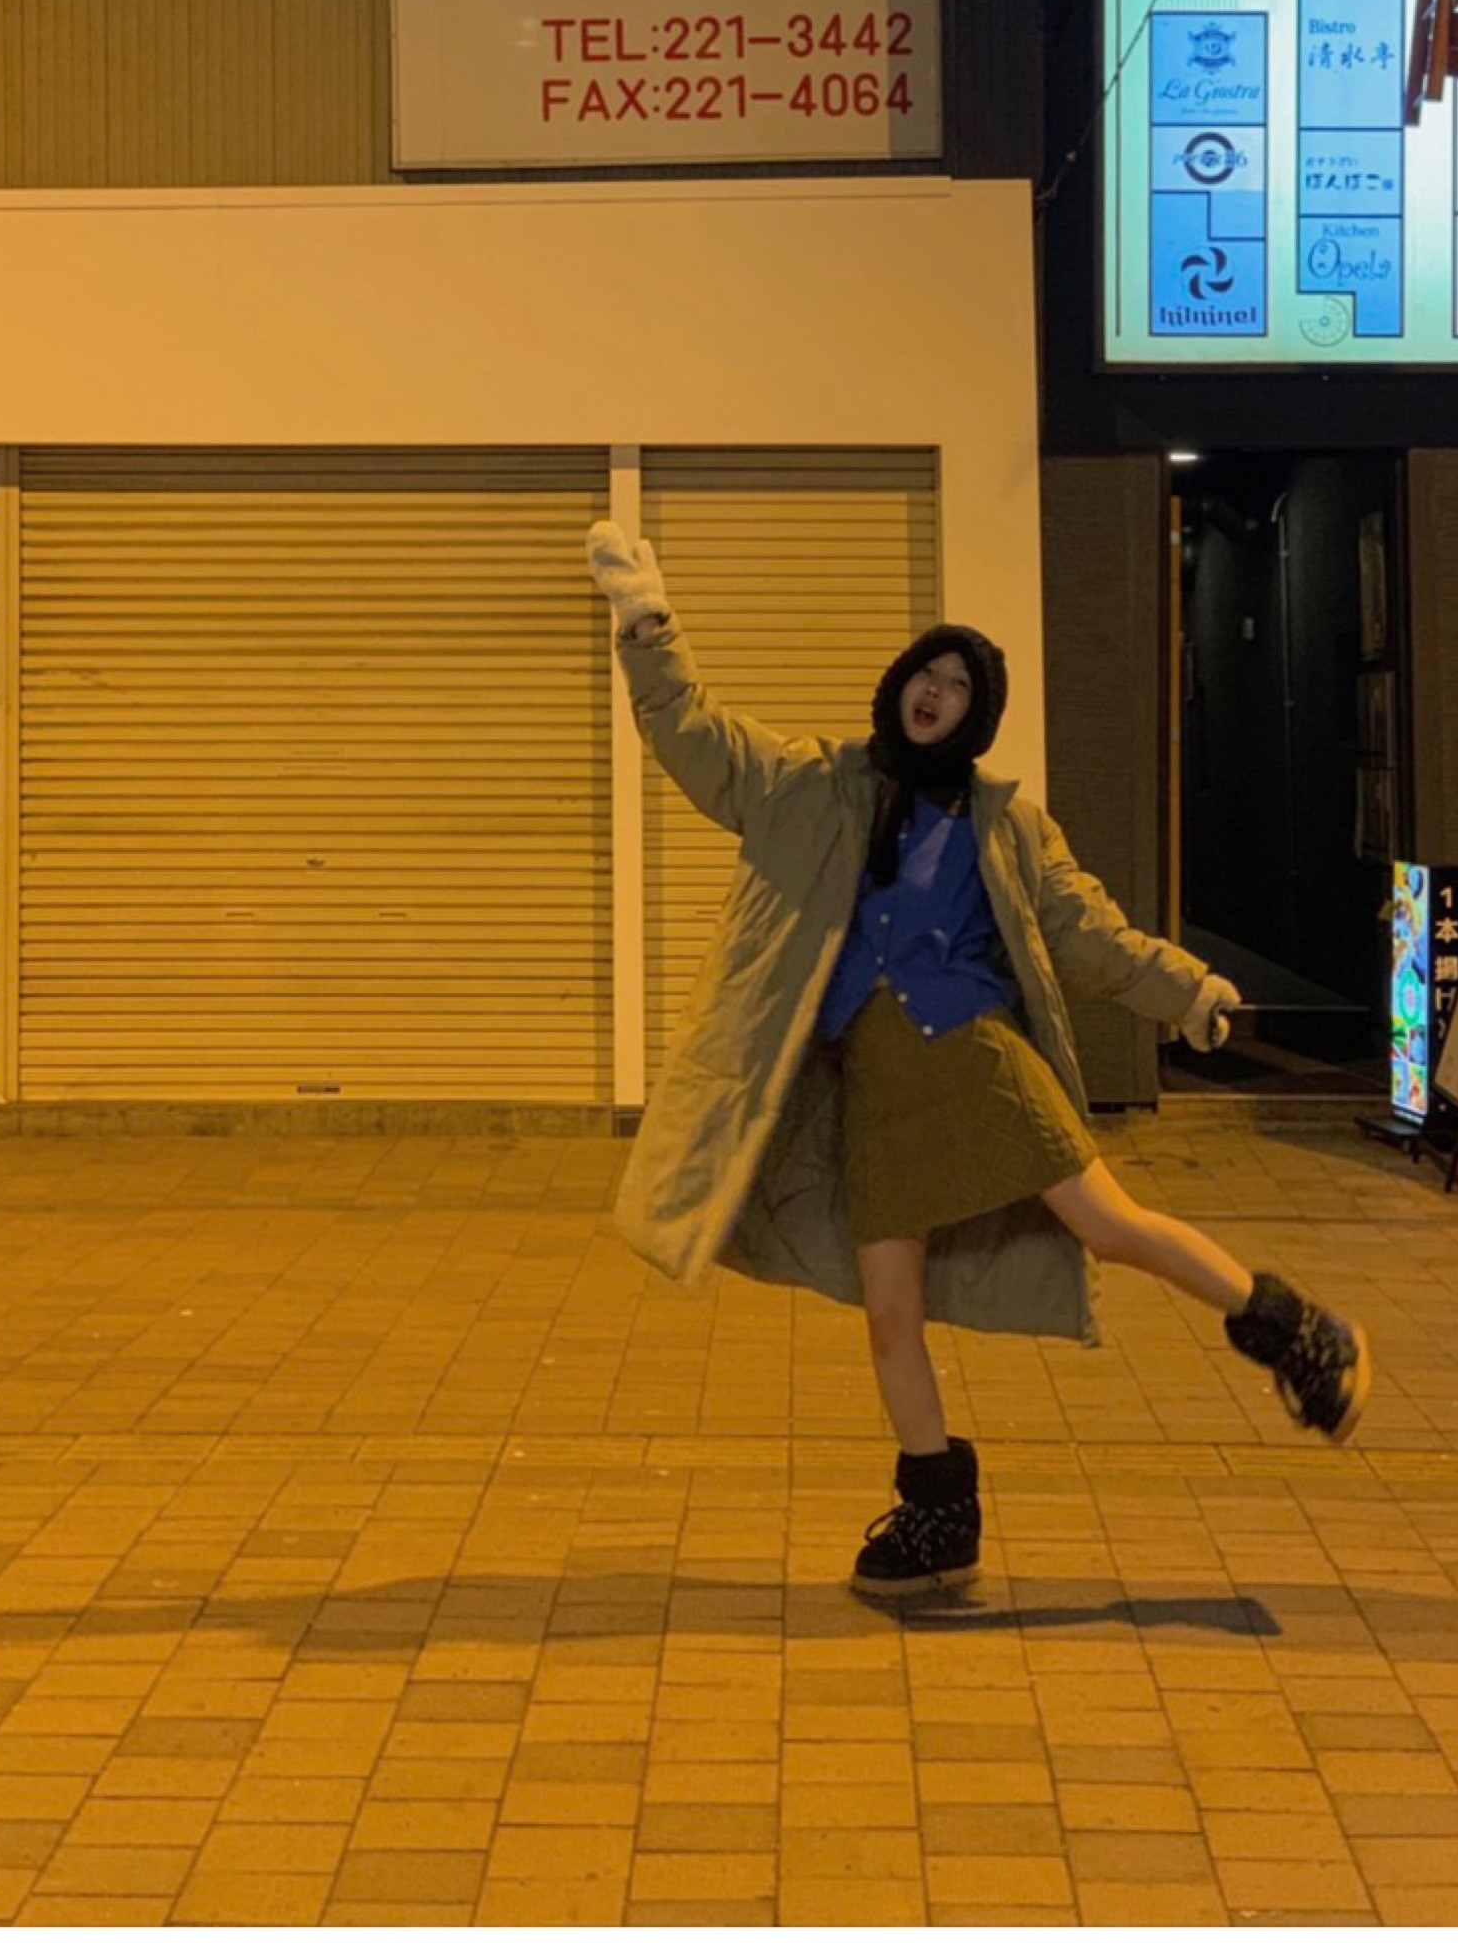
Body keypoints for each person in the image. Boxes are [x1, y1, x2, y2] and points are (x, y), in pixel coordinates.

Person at [587, 522, 1372, 1596]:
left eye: (960, 687)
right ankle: (938, 1516)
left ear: (977, 715)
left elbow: (1087, 933)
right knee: (890, 1316)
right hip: (877, 1098)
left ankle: (1299, 1334)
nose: (937, 692)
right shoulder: (813, 784)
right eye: (929, 672)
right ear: (900, 682)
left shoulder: (1007, 825)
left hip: (978, 1064)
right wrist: (647, 624)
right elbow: (696, 738)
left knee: (1112, 1228)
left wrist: (1185, 991)